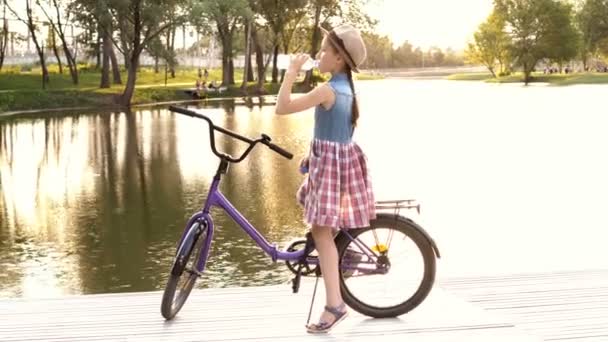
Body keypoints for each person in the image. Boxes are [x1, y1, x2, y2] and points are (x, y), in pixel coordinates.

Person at [275, 24, 376, 334]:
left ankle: (335, 305)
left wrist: (291, 72)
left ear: (339, 59)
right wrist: (312, 155)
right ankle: (339, 258)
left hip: (330, 170)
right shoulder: (345, 88)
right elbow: (333, 135)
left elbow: (282, 108)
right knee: (321, 228)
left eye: (323, 50)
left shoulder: (328, 90)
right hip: (333, 165)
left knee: (321, 233)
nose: (318, 55)